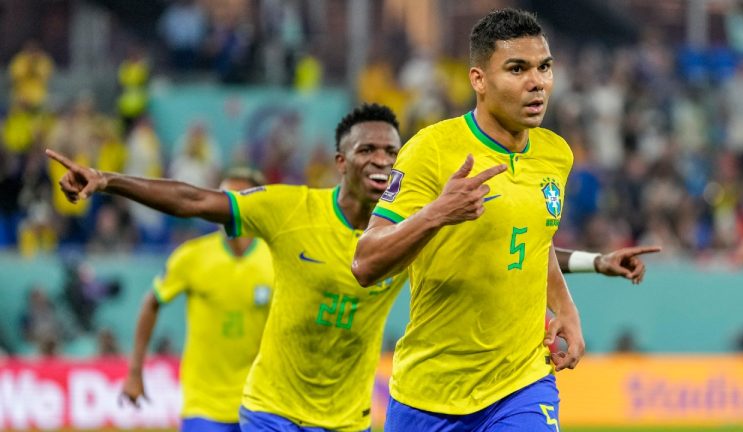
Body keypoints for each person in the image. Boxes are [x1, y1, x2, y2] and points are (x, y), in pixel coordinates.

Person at [47, 103, 657, 431]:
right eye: (367, 149)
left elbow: (519, 246)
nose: (382, 159)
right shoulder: (291, 211)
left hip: (348, 420)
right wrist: (107, 182)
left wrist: (597, 263)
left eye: (392, 150)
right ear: (340, 160)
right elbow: (193, 199)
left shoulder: (419, 223)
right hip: (273, 413)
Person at [352, 8, 600, 431]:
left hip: (522, 384)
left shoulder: (556, 154)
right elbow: (365, 262)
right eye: (517, 69)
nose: (536, 82)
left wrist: (566, 309)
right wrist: (436, 214)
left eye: (544, 68)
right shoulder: (432, 150)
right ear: (479, 80)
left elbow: (534, 242)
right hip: (428, 394)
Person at [119, 169, 275, 432]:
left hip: (260, 400)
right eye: (223, 198)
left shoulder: (275, 259)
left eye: (237, 200)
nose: (226, 207)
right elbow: (151, 303)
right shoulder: (192, 257)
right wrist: (135, 371)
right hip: (203, 402)